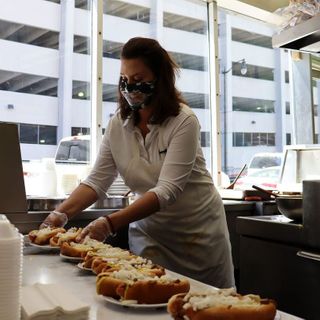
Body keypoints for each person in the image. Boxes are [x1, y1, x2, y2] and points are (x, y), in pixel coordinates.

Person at [41, 37, 235, 288]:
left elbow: (167, 191)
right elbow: (97, 181)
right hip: (150, 236)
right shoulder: (117, 125)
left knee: (205, 305)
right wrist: (60, 214)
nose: (130, 86)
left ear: (160, 79)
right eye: (125, 78)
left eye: (139, 79)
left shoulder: (183, 121)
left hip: (197, 237)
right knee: (145, 299)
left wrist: (109, 222)